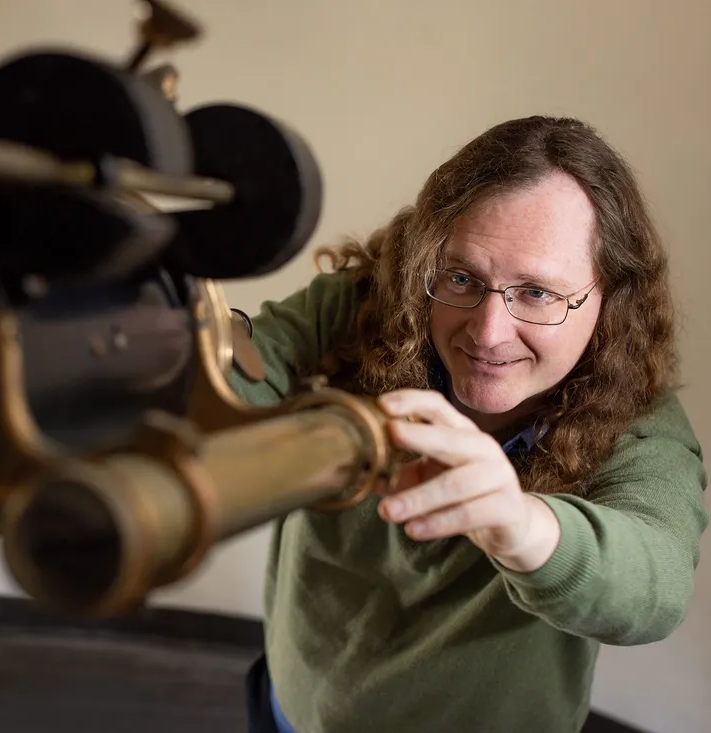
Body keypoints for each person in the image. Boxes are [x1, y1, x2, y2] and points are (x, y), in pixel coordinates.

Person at [229, 115, 708, 733]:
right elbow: (238, 381)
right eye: (462, 278)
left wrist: (519, 524)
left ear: (611, 300)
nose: (486, 333)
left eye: (536, 293)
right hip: (292, 707)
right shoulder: (359, 308)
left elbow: (655, 589)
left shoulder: (640, 430)